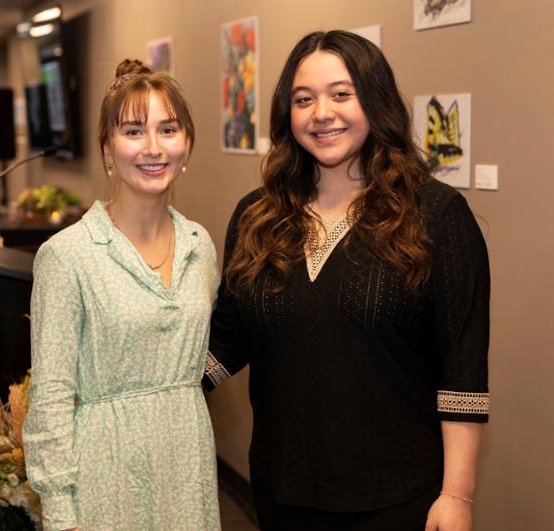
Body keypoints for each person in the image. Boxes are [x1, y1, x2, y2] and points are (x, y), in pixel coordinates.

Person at [204, 30, 489, 531]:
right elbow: (228, 339)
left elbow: (461, 372)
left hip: (398, 499)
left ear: (375, 101)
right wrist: (142, 387)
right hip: (281, 491)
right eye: (303, 99)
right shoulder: (257, 216)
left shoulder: (437, 215)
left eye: (341, 94)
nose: (321, 113)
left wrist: (457, 496)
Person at [24, 60, 221, 531]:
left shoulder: (201, 245)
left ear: (187, 144)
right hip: (105, 471)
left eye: (167, 129)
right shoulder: (66, 256)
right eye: (133, 131)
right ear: (107, 150)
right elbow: (50, 398)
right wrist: (60, 512)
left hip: (187, 462)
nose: (153, 148)